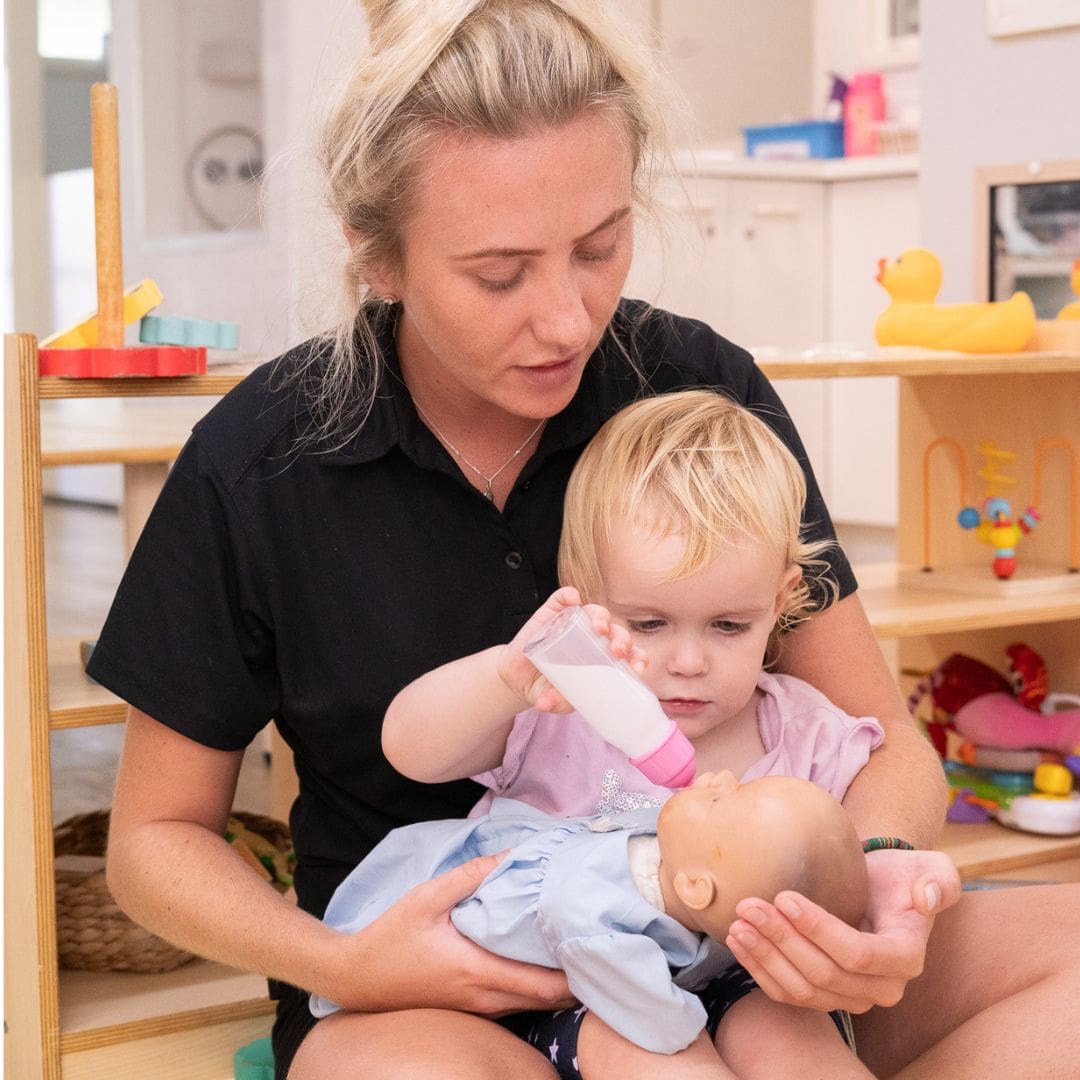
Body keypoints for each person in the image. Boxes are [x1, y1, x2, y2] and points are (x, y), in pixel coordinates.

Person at [87, 1, 1080, 1078]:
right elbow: (152, 844)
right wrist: (348, 961)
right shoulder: (260, 465)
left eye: (599, 247)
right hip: (439, 994)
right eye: (499, 274)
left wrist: (876, 881)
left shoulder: (702, 392)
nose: (567, 318)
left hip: (745, 960)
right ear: (378, 258)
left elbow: (883, 736)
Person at [371, 388, 887, 1077]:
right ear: (586, 596)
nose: (688, 662)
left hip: (742, 977)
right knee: (651, 1054)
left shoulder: (804, 733)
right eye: (648, 624)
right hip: (570, 986)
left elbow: (862, 854)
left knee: (792, 1039)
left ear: (782, 600)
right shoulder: (561, 714)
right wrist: (505, 677)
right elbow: (409, 748)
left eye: (728, 625)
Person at [310, 774, 873, 1079]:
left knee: (795, 1045)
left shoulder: (659, 880)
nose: (721, 777)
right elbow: (652, 1017)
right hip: (479, 970)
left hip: (615, 963)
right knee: (667, 1058)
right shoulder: (595, 906)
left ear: (698, 889)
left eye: (725, 800)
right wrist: (686, 1028)